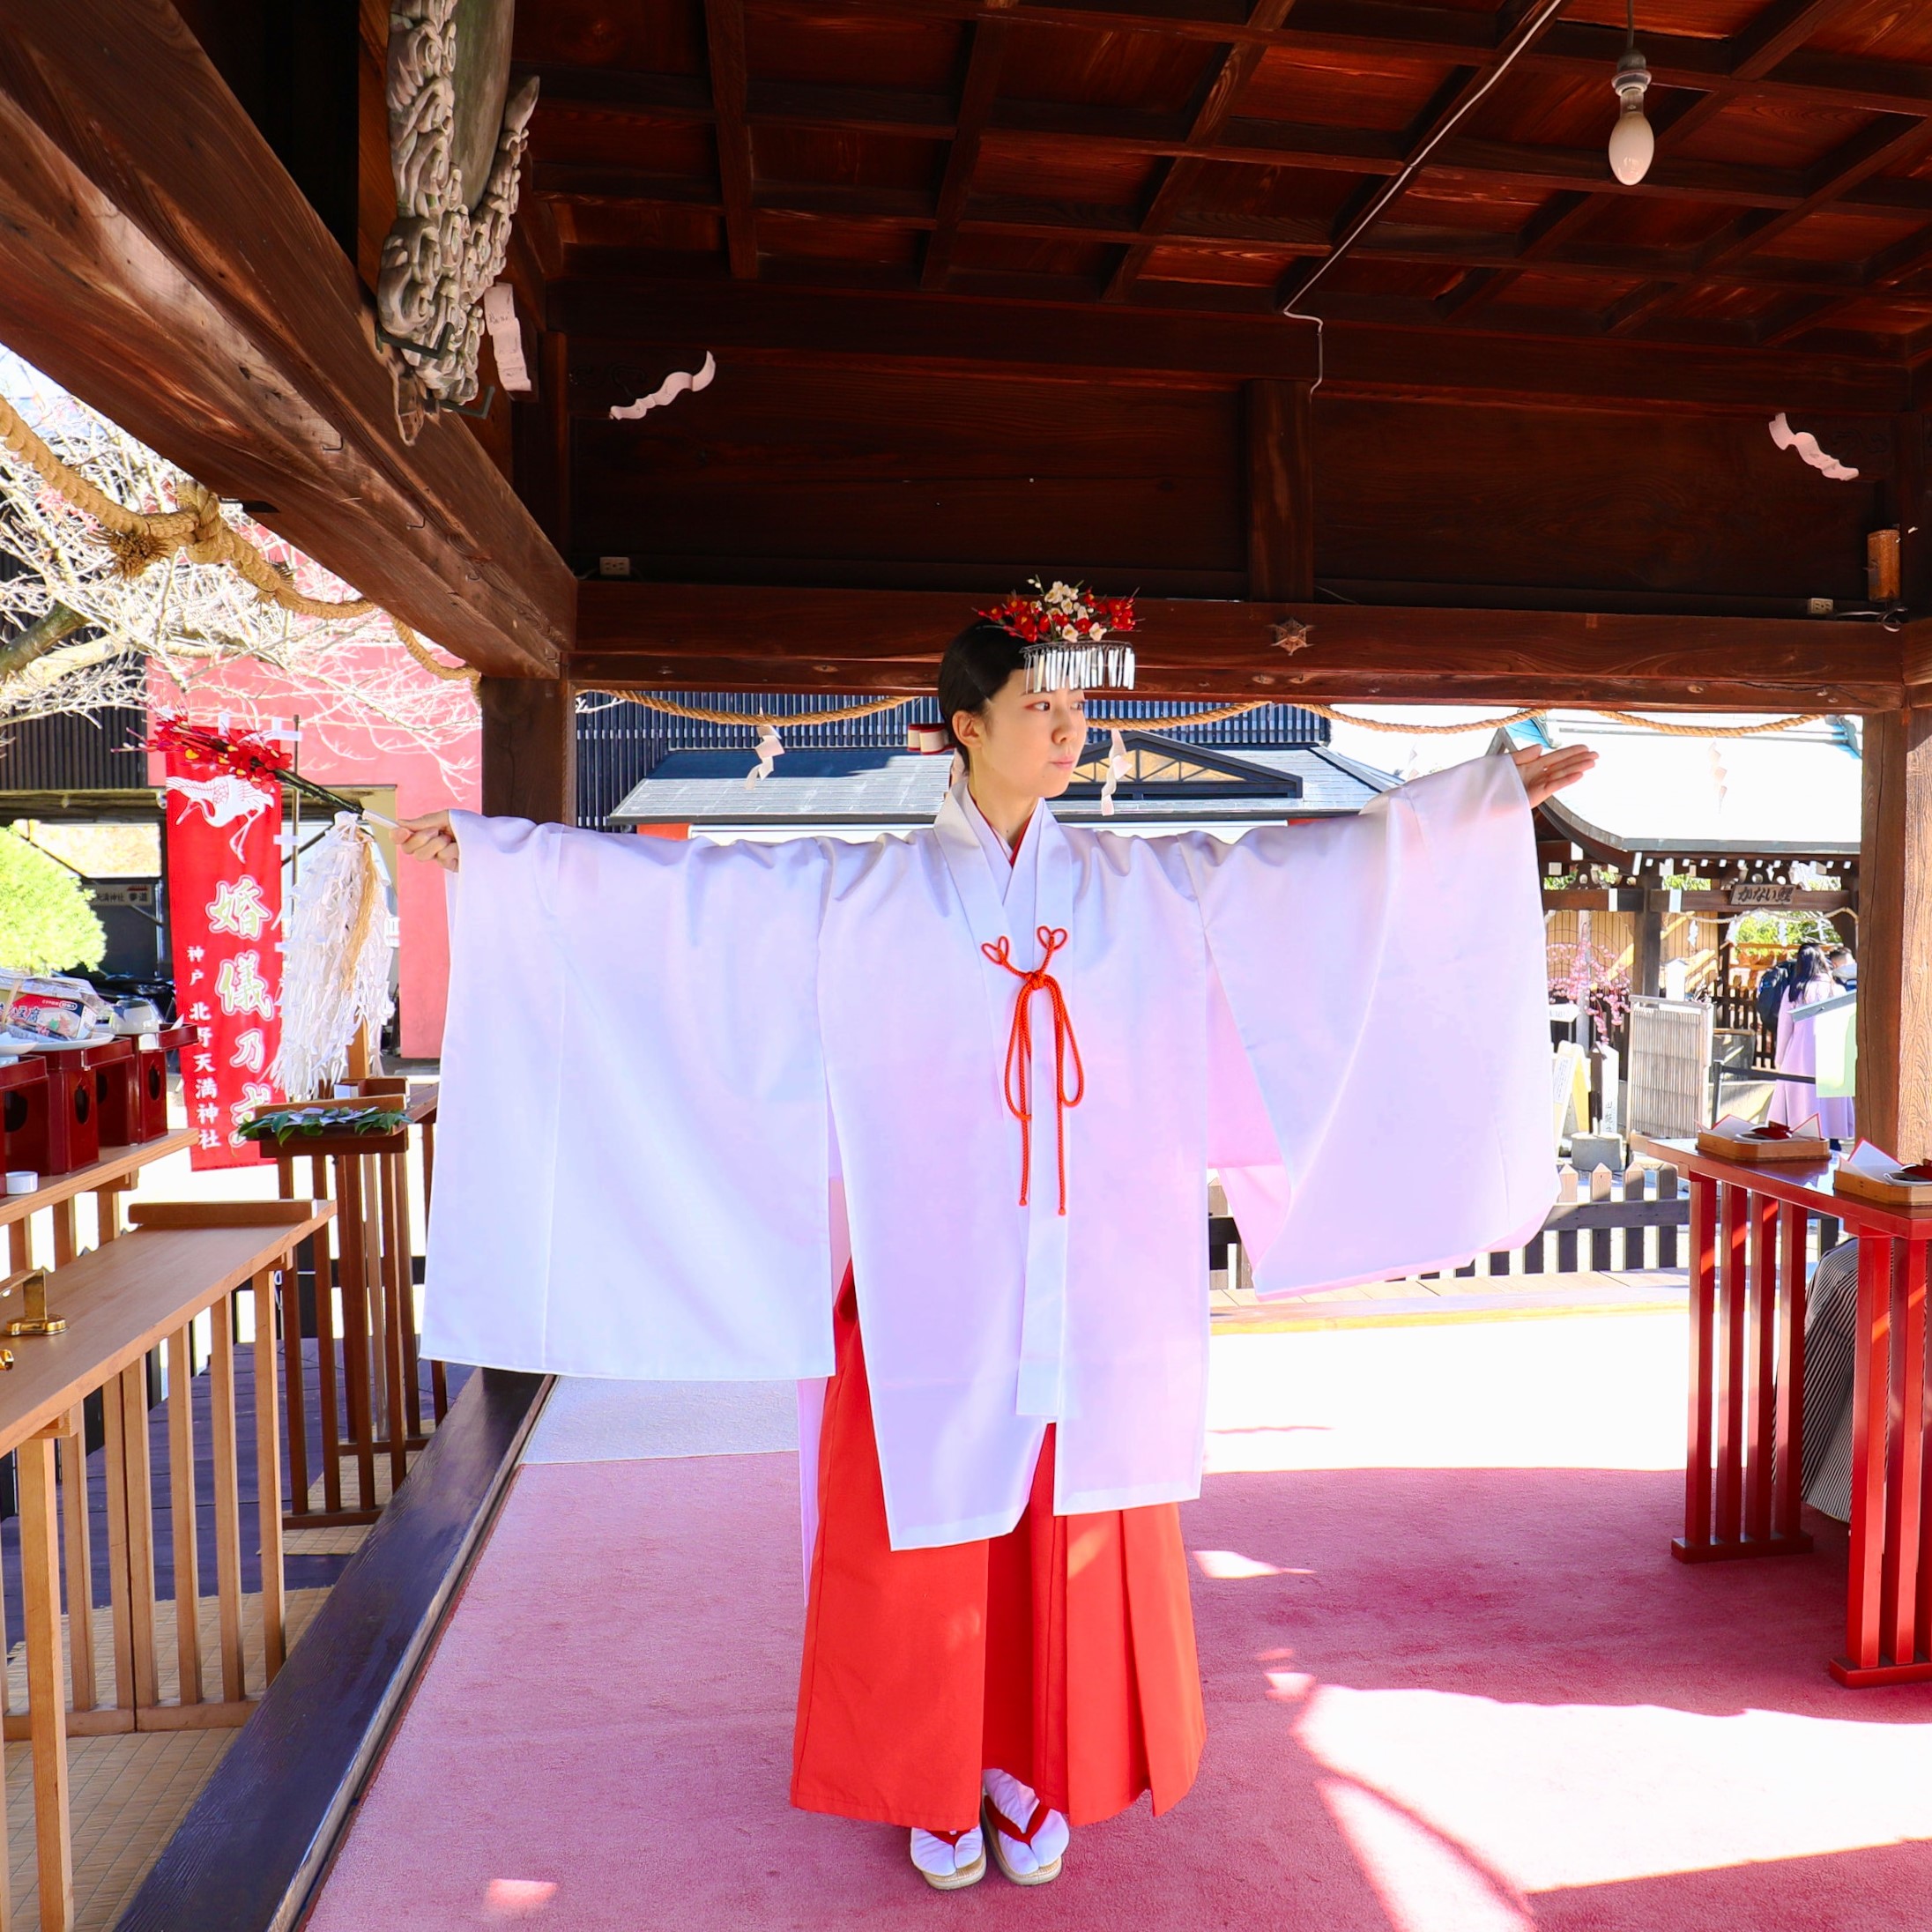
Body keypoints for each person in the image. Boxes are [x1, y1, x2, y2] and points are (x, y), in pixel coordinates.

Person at [398, 607, 1595, 1891]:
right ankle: (931, 1781)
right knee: (926, 1541)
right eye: (1040, 707)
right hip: (926, 1281)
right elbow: (689, 899)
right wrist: (502, 860)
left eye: (1081, 710)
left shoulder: (1145, 888)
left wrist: (1471, 807)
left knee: (1069, 1537)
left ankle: (1035, 1773)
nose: (1070, 730)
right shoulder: (864, 893)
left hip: (1095, 1287)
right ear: (962, 727)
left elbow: (1312, 872)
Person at [1766, 940, 1854, 1138]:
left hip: (1799, 1053)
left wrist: (1780, 1058)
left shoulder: (1795, 991)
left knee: (1803, 1100)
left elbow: (1784, 1028)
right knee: (1829, 1100)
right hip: (1832, 1054)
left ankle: (1804, 1135)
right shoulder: (1837, 990)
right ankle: (1831, 1136)